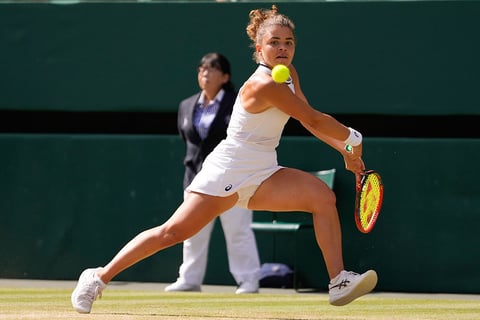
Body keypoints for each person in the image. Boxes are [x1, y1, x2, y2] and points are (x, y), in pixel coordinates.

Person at [71, 5, 378, 314]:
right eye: (274, 42)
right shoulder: (263, 84)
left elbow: (308, 121)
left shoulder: (289, 75)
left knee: (322, 197)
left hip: (263, 169)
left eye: (288, 42)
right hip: (229, 167)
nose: (282, 48)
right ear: (260, 48)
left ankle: (338, 281)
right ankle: (98, 276)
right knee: (173, 233)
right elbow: (312, 118)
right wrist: (353, 140)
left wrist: (345, 152)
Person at [165, 52, 260, 294]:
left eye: (212, 68)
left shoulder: (238, 103)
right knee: (190, 231)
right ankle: (189, 279)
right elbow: (189, 141)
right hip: (196, 180)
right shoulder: (186, 106)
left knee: (238, 230)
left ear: (225, 76)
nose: (205, 73)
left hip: (233, 178)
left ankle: (248, 280)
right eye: (201, 69)